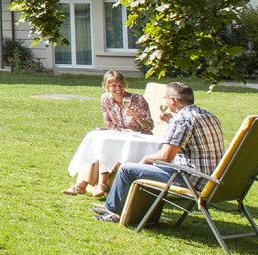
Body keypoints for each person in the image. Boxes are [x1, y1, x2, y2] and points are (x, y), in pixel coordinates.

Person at [95, 82, 226, 223]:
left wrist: (146, 159)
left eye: (165, 98)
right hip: (212, 179)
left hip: (191, 180)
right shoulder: (207, 115)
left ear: (173, 101)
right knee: (152, 168)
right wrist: (171, 120)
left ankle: (113, 211)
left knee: (127, 169)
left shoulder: (182, 120)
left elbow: (165, 156)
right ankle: (140, 213)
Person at [64, 71, 155, 195]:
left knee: (107, 146)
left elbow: (149, 126)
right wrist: (117, 133)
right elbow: (109, 122)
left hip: (139, 140)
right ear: (107, 87)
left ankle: (98, 185)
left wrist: (138, 117)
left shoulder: (137, 100)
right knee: (97, 145)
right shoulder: (105, 98)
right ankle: (83, 185)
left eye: (120, 84)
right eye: (113, 86)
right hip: (119, 136)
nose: (118, 89)